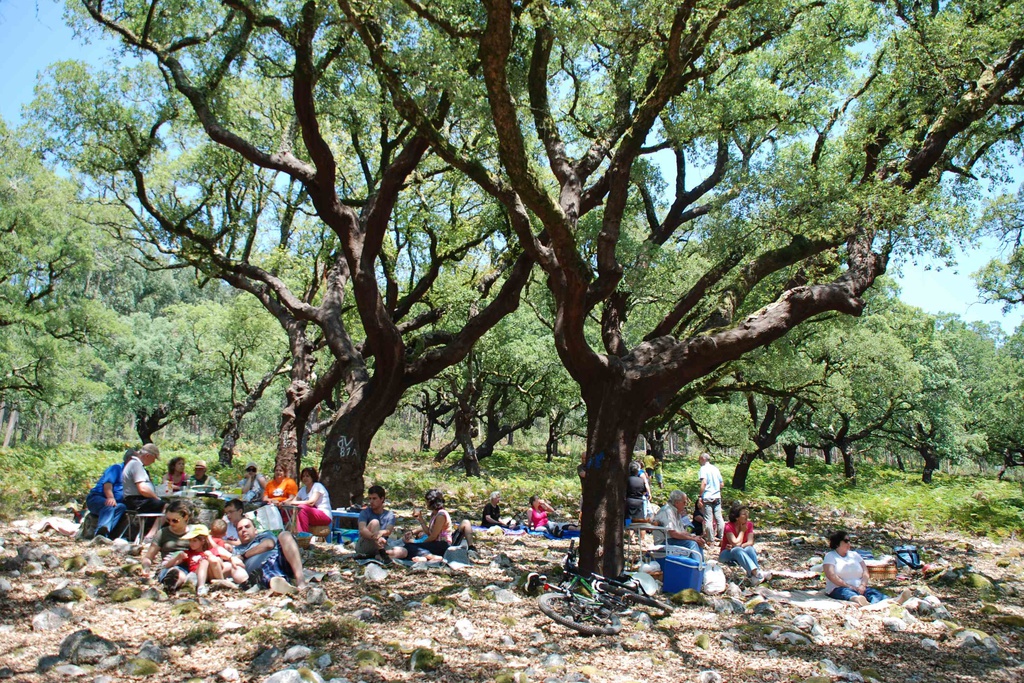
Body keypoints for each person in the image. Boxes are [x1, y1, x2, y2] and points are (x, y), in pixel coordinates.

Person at [823, 530, 910, 607]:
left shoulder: (855, 555)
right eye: (846, 541)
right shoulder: (830, 556)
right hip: (839, 588)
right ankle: (859, 600)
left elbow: (865, 572)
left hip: (859, 587)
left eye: (849, 541)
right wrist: (848, 586)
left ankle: (892, 601)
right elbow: (831, 575)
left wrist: (863, 585)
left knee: (873, 593)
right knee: (847, 593)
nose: (849, 543)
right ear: (837, 543)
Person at [387, 489, 473, 561]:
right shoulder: (434, 514)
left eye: (427, 501)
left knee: (411, 546)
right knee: (410, 546)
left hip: (442, 544)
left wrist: (418, 542)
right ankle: (425, 556)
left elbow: (433, 536)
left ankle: (429, 556)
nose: (426, 504)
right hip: (436, 543)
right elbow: (429, 533)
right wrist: (420, 519)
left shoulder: (441, 515)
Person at [233, 517, 308, 594]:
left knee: (285, 534)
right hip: (262, 570)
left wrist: (244, 556)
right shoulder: (236, 550)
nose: (243, 530)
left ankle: (300, 580)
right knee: (266, 573)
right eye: (240, 529)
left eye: (247, 526)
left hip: (279, 559)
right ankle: (283, 583)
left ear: (255, 530)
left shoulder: (264, 535)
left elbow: (269, 545)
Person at [140, 499, 193, 592]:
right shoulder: (163, 533)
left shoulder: (196, 532)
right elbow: (148, 557)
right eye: (168, 520)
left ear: (185, 517)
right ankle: (172, 583)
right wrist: (146, 567)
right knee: (176, 573)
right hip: (169, 565)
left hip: (192, 565)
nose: (171, 523)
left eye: (175, 520)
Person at [85, 449, 134, 539]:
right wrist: (110, 497)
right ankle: (100, 534)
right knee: (109, 506)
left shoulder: (133, 473)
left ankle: (107, 533)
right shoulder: (117, 468)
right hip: (96, 498)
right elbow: (107, 485)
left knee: (121, 507)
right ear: (129, 459)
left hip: (116, 503)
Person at [718, 503, 770, 585]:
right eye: (743, 514)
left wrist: (739, 546)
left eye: (747, 513)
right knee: (737, 550)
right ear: (736, 517)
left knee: (749, 548)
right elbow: (735, 542)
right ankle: (757, 573)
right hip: (726, 554)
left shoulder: (749, 525)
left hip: (741, 552)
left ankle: (753, 577)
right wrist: (742, 531)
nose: (746, 516)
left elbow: (750, 542)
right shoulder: (728, 526)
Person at [122, 443, 166, 539]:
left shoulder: (135, 464)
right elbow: (142, 489)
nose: (154, 461)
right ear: (147, 456)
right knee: (167, 506)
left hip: (135, 500)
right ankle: (151, 535)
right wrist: (156, 497)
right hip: (136, 501)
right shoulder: (136, 465)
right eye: (154, 458)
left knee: (162, 504)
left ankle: (149, 533)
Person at [652, 490, 708, 558]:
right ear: (676, 503)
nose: (685, 505)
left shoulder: (677, 512)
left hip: (673, 539)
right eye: (684, 502)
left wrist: (694, 537)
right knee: (692, 543)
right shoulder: (667, 511)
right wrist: (693, 539)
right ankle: (697, 566)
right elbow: (673, 534)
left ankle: (701, 565)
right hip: (665, 541)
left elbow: (682, 532)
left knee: (699, 542)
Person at [283, 466, 332, 533]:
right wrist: (286, 503)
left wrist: (294, 503)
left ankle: (303, 535)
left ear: (312, 477)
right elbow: (294, 501)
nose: (305, 478)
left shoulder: (317, 486)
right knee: (289, 509)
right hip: (309, 514)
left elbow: (311, 502)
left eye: (307, 476)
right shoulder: (303, 489)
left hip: (324, 515)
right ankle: (286, 531)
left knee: (302, 508)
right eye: (303, 476)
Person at [356, 485, 396, 558]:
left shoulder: (389, 515)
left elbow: (388, 531)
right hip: (365, 544)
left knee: (403, 552)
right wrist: (376, 537)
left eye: (374, 498)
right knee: (375, 522)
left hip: (382, 543)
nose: (371, 501)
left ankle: (376, 555)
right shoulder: (365, 512)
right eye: (370, 498)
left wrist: (381, 533)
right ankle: (380, 553)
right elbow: (362, 530)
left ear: (382, 499)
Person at [698, 452, 725, 541]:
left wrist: (700, 496)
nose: (699, 461)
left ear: (703, 459)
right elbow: (722, 484)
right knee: (719, 517)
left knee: (708, 519)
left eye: (699, 459)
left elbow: (704, 482)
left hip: (707, 496)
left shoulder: (703, 469)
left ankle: (710, 539)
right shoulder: (715, 469)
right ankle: (721, 537)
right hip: (717, 496)